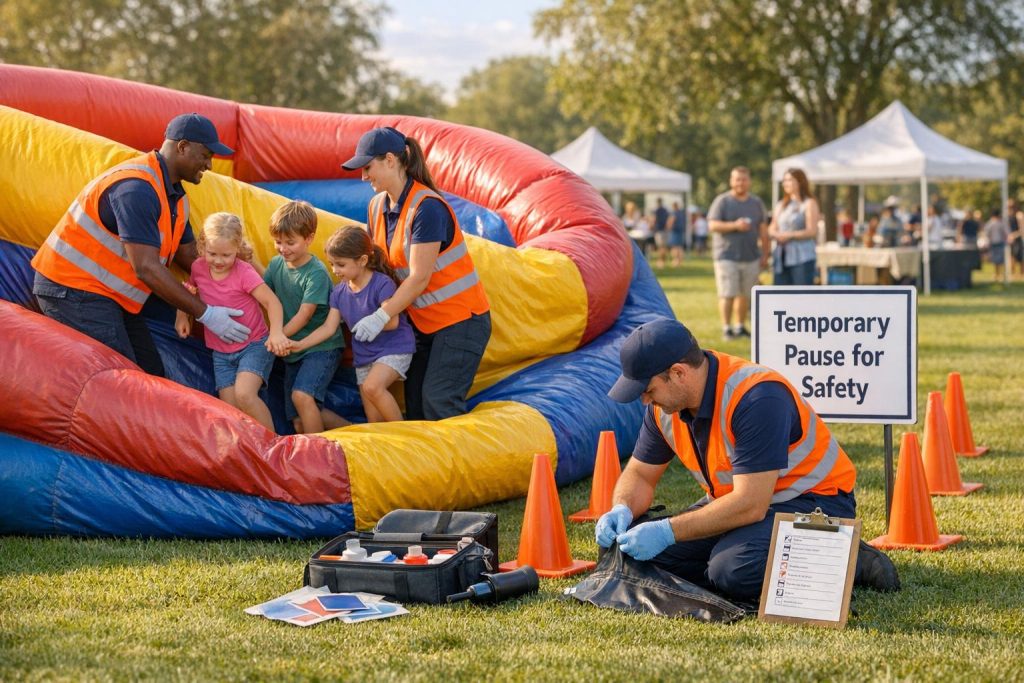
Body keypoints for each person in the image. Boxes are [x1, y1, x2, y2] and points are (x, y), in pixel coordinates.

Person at [598, 317, 900, 602]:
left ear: (678, 372)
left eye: (648, 390)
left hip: (813, 501)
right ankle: (739, 549)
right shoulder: (664, 409)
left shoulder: (757, 397)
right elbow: (639, 474)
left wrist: (669, 532)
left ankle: (846, 553)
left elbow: (751, 504)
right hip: (740, 505)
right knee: (629, 554)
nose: (645, 401)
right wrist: (621, 508)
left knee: (733, 571)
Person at [31, 113, 249, 376]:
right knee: (120, 381)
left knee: (151, 375)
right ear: (182, 147)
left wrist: (237, 271)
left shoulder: (176, 198)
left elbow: (188, 253)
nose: (209, 165)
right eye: (205, 155)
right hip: (72, 290)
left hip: (109, 295)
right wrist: (207, 314)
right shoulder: (136, 189)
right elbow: (146, 267)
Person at [341, 127, 491, 420]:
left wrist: (381, 317)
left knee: (438, 402)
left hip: (460, 322)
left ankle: (457, 466)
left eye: (367, 167)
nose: (363, 177)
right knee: (418, 408)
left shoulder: (427, 208)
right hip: (422, 326)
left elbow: (419, 277)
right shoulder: (375, 207)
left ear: (390, 160)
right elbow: (379, 268)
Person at [289, 225, 415, 423]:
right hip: (364, 356)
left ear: (363, 260)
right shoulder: (339, 293)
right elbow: (329, 328)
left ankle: (406, 433)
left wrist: (372, 322)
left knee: (372, 387)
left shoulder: (381, 283)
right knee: (373, 419)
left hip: (393, 348)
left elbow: (392, 322)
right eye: (331, 264)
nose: (334, 270)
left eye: (340, 265)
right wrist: (300, 344)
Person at [174, 213, 287, 431]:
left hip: (254, 344)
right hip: (221, 353)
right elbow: (189, 290)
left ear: (237, 248)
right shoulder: (198, 267)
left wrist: (276, 333)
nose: (218, 261)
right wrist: (181, 316)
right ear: (202, 247)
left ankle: (273, 445)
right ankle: (249, 449)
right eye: (212, 253)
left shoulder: (243, 272)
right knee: (230, 409)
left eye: (226, 255)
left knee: (245, 394)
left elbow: (272, 302)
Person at [263, 200, 345, 433]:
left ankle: (317, 452)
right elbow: (264, 292)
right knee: (299, 419)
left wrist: (276, 336)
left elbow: (305, 315)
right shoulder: (277, 264)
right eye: (278, 242)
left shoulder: (316, 273)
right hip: (293, 351)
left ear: (309, 239)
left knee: (302, 396)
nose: (283, 248)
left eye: (291, 242)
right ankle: (352, 430)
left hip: (322, 347)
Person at [706, 167, 769, 341]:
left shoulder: (756, 203)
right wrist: (735, 225)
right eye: (737, 179)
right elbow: (712, 226)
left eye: (744, 179)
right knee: (728, 293)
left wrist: (765, 254)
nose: (740, 182)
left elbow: (763, 230)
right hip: (727, 255)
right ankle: (727, 328)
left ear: (749, 181)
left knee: (745, 295)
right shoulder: (723, 201)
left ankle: (740, 326)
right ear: (731, 181)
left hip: (751, 256)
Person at [768, 168, 819, 285]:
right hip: (781, 258)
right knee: (781, 297)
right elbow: (772, 227)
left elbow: (812, 231)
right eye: (784, 180)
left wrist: (789, 236)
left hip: (802, 258)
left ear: (800, 182)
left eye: (789, 180)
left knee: (801, 297)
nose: (785, 183)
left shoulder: (809, 203)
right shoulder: (781, 204)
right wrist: (776, 235)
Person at [982, 208, 1009, 282]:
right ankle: (999, 275)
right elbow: (1006, 233)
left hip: (996, 243)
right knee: (999, 260)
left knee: (997, 260)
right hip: (998, 243)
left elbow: (986, 233)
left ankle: (998, 274)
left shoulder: (990, 223)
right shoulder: (999, 223)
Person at [651, 197, 670, 268]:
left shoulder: (656, 210)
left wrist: (651, 226)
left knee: (660, 247)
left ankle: (661, 262)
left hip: (659, 230)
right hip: (665, 230)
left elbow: (654, 219)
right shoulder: (665, 210)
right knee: (664, 247)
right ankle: (663, 261)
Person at [667, 201, 686, 266]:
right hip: (681, 231)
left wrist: (668, 228)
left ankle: (675, 261)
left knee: (674, 247)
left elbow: (671, 221)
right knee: (680, 247)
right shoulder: (681, 213)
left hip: (674, 231)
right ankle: (680, 261)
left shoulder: (674, 213)